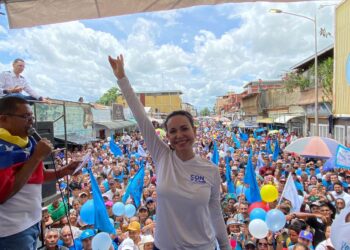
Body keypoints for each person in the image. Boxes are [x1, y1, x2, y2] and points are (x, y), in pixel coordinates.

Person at [108, 54, 229, 249]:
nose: (179, 135)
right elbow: (141, 118)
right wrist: (122, 78)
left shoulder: (211, 170)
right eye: (172, 131)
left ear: (194, 131)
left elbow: (215, 213)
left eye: (184, 128)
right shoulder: (162, 156)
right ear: (167, 136)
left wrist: (225, 247)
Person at [0, 96, 80, 250]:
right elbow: (3, 193)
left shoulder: (27, 142)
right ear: (3, 119)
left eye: (32, 116)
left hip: (33, 222)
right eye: (25, 117)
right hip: (12, 231)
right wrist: (37, 156)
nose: (31, 121)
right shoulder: (3, 149)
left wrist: (64, 171)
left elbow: (38, 176)